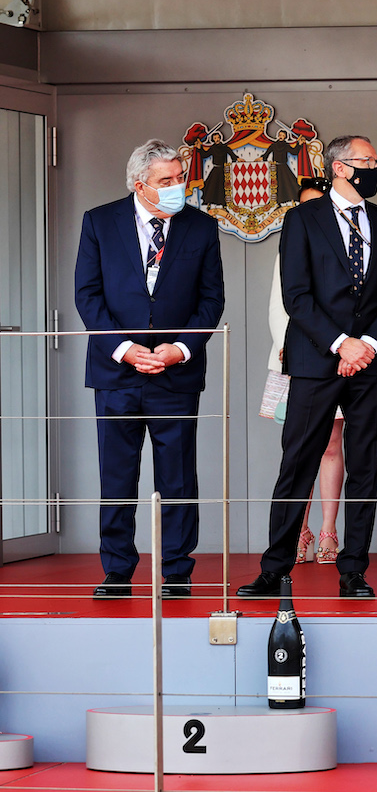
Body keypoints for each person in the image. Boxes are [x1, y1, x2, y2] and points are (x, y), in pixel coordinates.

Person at [239, 135, 377, 599]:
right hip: (318, 360)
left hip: (370, 363)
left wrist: (369, 343)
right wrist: (342, 344)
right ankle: (274, 568)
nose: (375, 168)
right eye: (367, 161)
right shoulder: (301, 220)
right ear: (339, 167)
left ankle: (353, 568)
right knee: (297, 462)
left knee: (365, 465)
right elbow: (296, 294)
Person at [74, 139, 226, 598]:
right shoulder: (100, 222)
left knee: (178, 477)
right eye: (167, 181)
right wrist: (123, 348)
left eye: (180, 178)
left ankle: (176, 572)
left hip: (175, 373)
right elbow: (88, 295)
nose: (178, 187)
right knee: (117, 476)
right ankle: (117, 572)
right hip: (117, 373)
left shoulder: (200, 227)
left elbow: (211, 299)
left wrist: (181, 348)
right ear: (140, 186)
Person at [262, 176, 345, 565]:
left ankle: (329, 530)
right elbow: (281, 304)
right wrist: (286, 348)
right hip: (294, 358)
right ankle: (298, 528)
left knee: (331, 446)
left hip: (338, 358)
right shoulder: (290, 243)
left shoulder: (348, 241)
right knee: (300, 448)